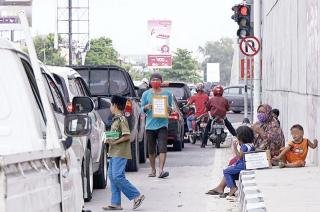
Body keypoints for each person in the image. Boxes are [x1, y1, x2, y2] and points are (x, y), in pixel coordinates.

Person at [103, 95, 145, 211]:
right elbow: (117, 134)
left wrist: (115, 142)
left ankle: (136, 196)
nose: (110, 107)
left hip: (120, 152)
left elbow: (126, 136)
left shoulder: (121, 119)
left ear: (115, 105)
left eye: (111, 105)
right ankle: (115, 203)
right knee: (112, 176)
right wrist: (108, 138)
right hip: (113, 152)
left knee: (117, 176)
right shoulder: (115, 119)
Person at [206, 126, 255, 198]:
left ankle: (232, 187)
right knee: (230, 170)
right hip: (247, 164)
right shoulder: (251, 145)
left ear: (241, 138)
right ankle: (223, 188)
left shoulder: (244, 146)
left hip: (243, 165)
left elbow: (239, 157)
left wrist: (235, 148)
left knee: (226, 171)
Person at [141, 73, 173, 178]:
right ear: (150, 82)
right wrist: (146, 107)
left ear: (161, 81)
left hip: (162, 124)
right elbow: (141, 109)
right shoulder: (146, 94)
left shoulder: (168, 94)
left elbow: (171, 109)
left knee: (162, 147)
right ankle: (153, 169)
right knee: (151, 150)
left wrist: (169, 109)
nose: (155, 81)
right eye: (153, 79)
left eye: (158, 79)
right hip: (150, 125)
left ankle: (161, 170)